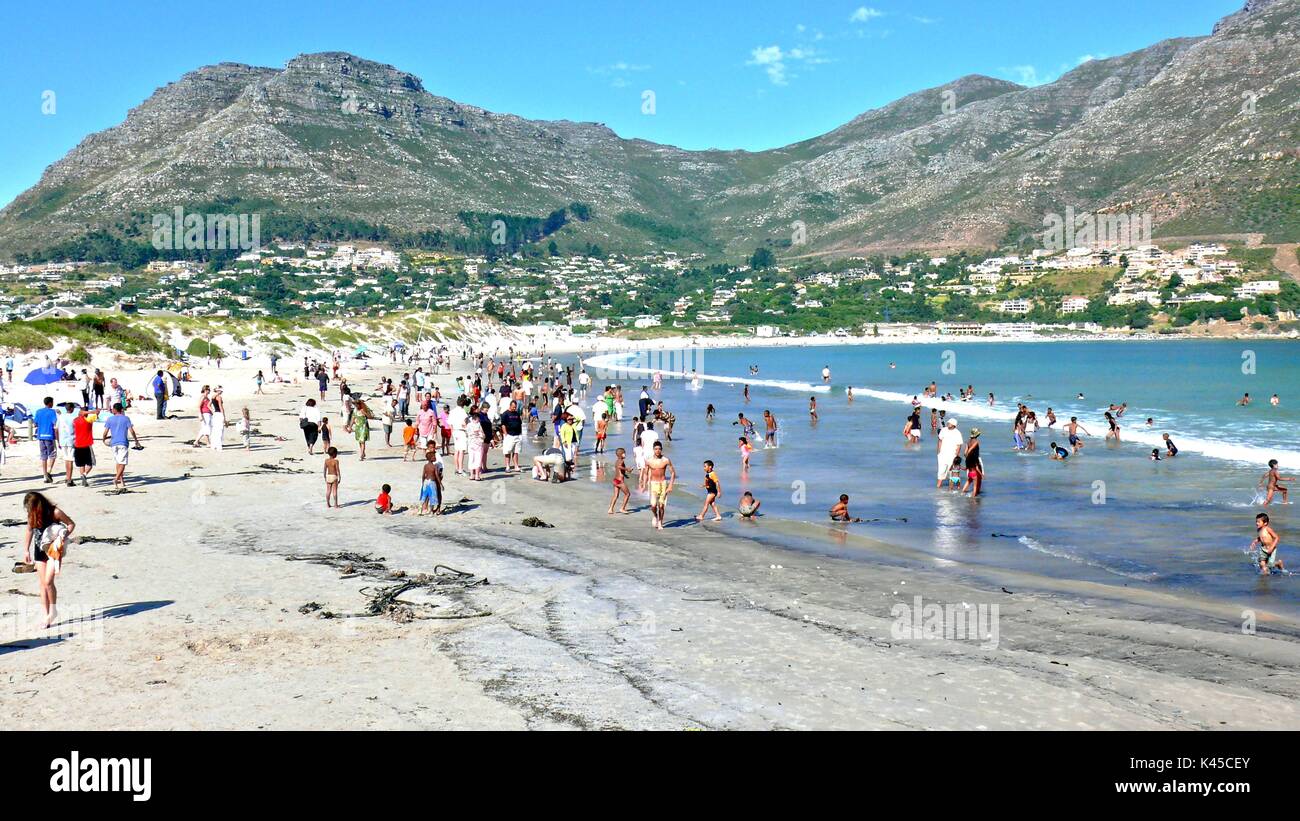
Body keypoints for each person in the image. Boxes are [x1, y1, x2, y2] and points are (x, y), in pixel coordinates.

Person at [21, 491, 76, 628]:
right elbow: (29, 531)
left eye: (32, 508)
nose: (30, 511)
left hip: (54, 551)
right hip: (39, 551)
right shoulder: (31, 515)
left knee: (48, 581)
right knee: (42, 584)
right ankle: (46, 615)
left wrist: (62, 537)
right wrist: (26, 550)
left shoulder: (55, 512)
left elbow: (71, 524)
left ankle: (53, 610)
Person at [101, 403, 140, 490]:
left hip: (113, 443)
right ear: (121, 409)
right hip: (123, 443)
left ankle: (121, 480)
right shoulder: (126, 419)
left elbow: (105, 432)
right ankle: (116, 479)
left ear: (114, 410)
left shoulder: (110, 419)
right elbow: (132, 431)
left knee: (118, 462)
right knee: (122, 462)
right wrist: (136, 441)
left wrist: (103, 440)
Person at [644, 441, 675, 531]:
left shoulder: (666, 460)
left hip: (663, 484)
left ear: (661, 450)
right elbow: (646, 473)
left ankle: (660, 522)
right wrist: (643, 484)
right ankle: (655, 516)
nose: (657, 451)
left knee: (661, 506)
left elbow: (673, 473)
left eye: (659, 449)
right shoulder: (649, 461)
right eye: (656, 449)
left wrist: (670, 486)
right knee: (653, 505)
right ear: (653, 450)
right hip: (653, 484)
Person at [35, 396, 58, 484]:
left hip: (41, 436)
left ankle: (44, 475)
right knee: (52, 454)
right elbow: (55, 422)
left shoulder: (38, 411)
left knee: (43, 456)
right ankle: (49, 471)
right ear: (50, 403)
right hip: (49, 435)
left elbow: (35, 423)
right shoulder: (52, 412)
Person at [936, 418, 964, 489]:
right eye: (948, 422)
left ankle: (952, 488)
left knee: (952, 471)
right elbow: (940, 440)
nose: (948, 423)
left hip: (952, 455)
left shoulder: (957, 433)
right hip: (942, 454)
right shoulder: (943, 430)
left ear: (954, 425)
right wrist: (939, 451)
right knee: (941, 470)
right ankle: (938, 486)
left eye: (950, 423)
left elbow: (959, 445)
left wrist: (956, 455)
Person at [72, 406, 95, 487]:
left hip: (77, 444)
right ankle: (84, 475)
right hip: (87, 444)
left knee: (81, 464)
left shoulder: (75, 420)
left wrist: (83, 413)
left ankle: (83, 479)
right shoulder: (89, 419)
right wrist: (88, 412)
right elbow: (96, 413)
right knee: (90, 464)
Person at [419, 450, 444, 515]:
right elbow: (437, 476)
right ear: (431, 458)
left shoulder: (425, 466)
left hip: (426, 482)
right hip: (432, 483)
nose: (435, 458)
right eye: (434, 457)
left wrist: (423, 483)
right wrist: (441, 484)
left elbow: (423, 475)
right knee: (433, 496)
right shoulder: (434, 466)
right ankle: (431, 511)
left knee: (424, 496)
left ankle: (420, 510)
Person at [961, 428, 984, 497]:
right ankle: (975, 495)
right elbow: (971, 449)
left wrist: (967, 457)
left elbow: (965, 452)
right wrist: (969, 455)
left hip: (969, 461)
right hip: (975, 460)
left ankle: (963, 491)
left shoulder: (968, 441)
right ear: (977, 434)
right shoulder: (976, 441)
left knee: (970, 479)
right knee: (977, 479)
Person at [608, 447, 631, 515]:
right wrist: (627, 469)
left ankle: (610, 509)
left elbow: (619, 470)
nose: (625, 454)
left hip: (615, 480)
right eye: (624, 453)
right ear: (621, 454)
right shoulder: (621, 461)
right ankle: (622, 508)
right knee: (627, 494)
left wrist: (625, 475)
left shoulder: (617, 461)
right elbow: (619, 467)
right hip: (620, 481)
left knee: (615, 495)